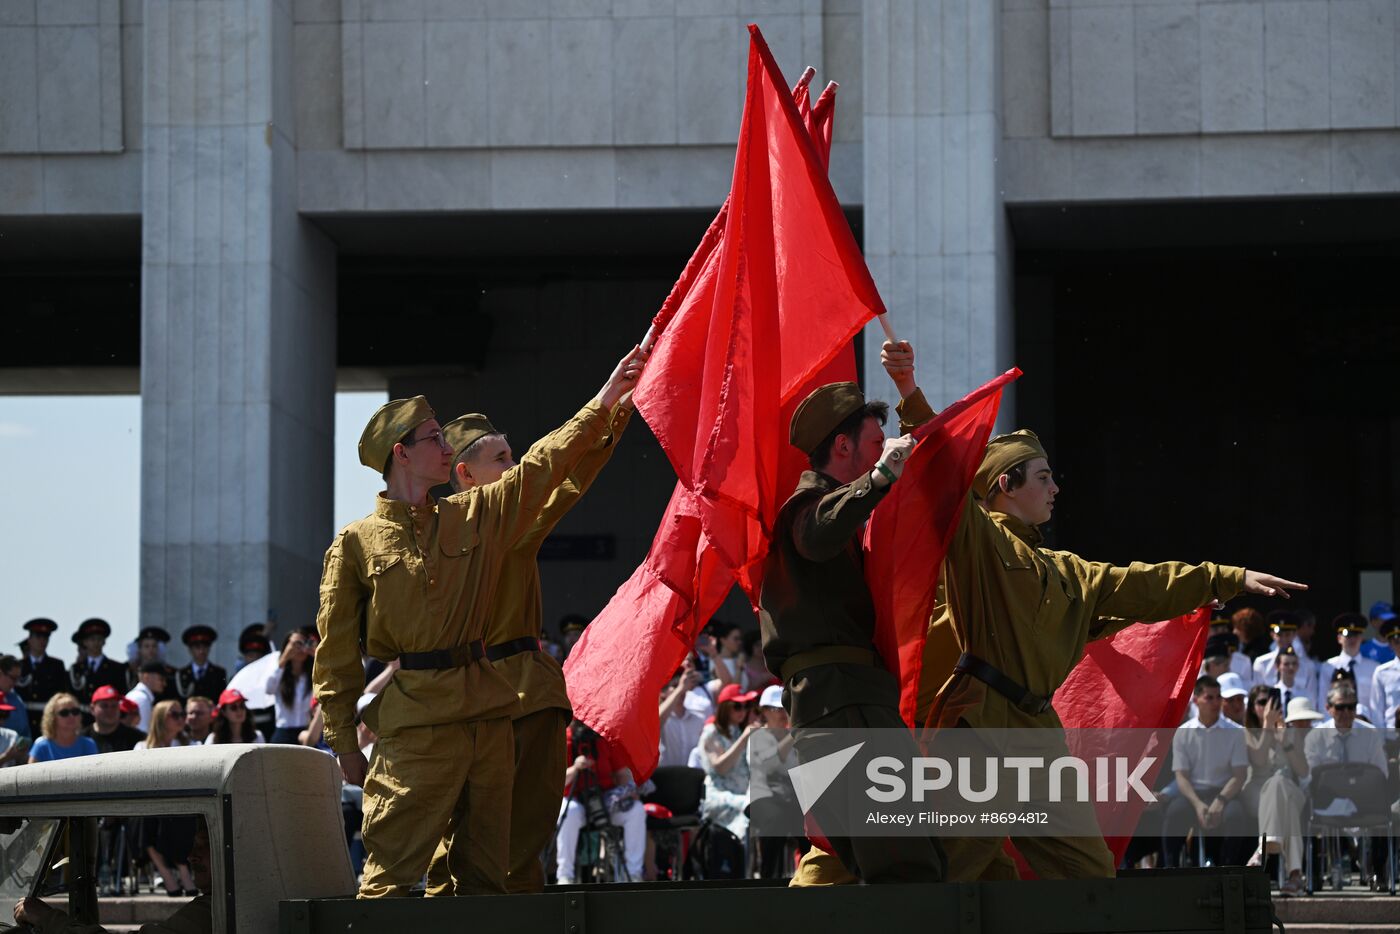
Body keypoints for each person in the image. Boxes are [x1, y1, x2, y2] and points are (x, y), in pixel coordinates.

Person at [899, 335, 1305, 881]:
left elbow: (1143, 583)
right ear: (1005, 486)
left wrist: (1227, 578)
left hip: (1036, 731)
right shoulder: (981, 546)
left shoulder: (1067, 569)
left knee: (1088, 873)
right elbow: (943, 475)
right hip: (978, 726)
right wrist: (908, 392)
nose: (1056, 489)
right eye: (1043, 477)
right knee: (956, 875)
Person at [313, 346, 646, 899]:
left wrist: (606, 399)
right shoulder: (355, 542)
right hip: (417, 721)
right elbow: (337, 653)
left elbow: (543, 467)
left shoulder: (472, 513)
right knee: (390, 881)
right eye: (435, 439)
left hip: (488, 716)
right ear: (402, 454)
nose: (446, 448)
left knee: (489, 882)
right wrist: (343, 740)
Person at [423, 392, 633, 895]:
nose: (514, 467)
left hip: (493, 698)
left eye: (512, 456)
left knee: (501, 838)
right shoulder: (478, 523)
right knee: (496, 842)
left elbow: (566, 480)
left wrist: (617, 416)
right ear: (465, 475)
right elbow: (559, 473)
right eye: (501, 459)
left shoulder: (468, 526)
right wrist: (611, 408)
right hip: (502, 696)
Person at [758, 350, 946, 885]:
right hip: (844, 704)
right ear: (842, 447)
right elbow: (818, 533)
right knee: (905, 866)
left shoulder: (837, 511)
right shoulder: (806, 509)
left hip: (839, 700)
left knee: (885, 863)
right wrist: (883, 476)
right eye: (871, 446)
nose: (880, 455)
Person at [13, 819, 214, 933]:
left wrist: (47, 918)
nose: (191, 856)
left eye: (204, 844)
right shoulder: (215, 904)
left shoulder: (212, 910)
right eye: (195, 845)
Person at [1161, 677, 1249, 867]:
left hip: (1225, 793)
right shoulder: (1183, 732)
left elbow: (1239, 775)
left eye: (1218, 697)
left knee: (1236, 816)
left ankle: (1228, 868)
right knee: (1174, 813)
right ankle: (1170, 870)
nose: (1216, 703)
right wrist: (1198, 804)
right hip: (1194, 794)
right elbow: (1181, 776)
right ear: (1196, 700)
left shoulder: (1235, 732)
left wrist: (1221, 801)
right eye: (1209, 698)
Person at [554, 720, 647, 884]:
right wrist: (576, 768)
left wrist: (631, 790)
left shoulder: (606, 737)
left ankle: (633, 874)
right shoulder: (565, 738)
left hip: (605, 800)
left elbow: (621, 774)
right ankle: (565, 875)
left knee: (636, 810)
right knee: (568, 813)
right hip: (576, 799)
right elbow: (557, 782)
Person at [1248, 694, 1323, 893]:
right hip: (1269, 798)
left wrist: (1287, 744)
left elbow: (1303, 773)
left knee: (1279, 783)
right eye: (1299, 721)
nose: (1304, 724)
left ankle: (1263, 849)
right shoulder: (1256, 733)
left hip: (1297, 792)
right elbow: (1259, 760)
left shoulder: (1296, 736)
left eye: (1307, 720)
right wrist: (1268, 728)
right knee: (1284, 800)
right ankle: (1295, 875)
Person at [747, 683, 804, 878]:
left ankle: (810, 875)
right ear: (764, 711)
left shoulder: (793, 737)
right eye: (775, 708)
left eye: (784, 708)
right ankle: (767, 878)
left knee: (811, 822)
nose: (781, 713)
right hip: (764, 796)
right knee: (776, 820)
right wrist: (793, 734)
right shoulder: (757, 736)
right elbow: (769, 766)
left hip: (789, 796)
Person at [697, 683, 758, 840]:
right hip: (719, 795)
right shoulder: (711, 732)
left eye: (746, 706)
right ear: (725, 708)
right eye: (737, 706)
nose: (743, 711)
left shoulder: (739, 730)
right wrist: (744, 739)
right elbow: (720, 768)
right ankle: (749, 861)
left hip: (743, 793)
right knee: (749, 807)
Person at [16, 618, 71, 736]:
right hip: (22, 723)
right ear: (29, 639)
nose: (42, 641)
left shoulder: (56, 665)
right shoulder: (19, 665)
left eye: (45, 637)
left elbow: (62, 695)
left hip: (47, 723)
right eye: (38, 637)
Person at [1253, 611, 1322, 703]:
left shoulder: (1308, 666)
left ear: (1295, 634)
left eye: (1288, 635)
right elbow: (1256, 697)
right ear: (1272, 635)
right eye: (1280, 635)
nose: (1284, 639)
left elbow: (1312, 699)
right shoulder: (1261, 663)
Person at [657, 656, 711, 769]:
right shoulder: (661, 716)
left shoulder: (698, 718)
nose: (682, 688)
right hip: (665, 778)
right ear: (662, 692)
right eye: (674, 686)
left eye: (683, 684)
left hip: (691, 779)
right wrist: (680, 688)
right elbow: (656, 722)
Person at [1323, 613, 1380, 714]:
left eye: (1356, 635)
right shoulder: (1328, 667)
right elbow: (1322, 701)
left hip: (1367, 724)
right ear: (1339, 638)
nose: (1352, 639)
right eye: (1348, 635)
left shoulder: (1374, 668)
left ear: (1361, 638)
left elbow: (1377, 704)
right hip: (1337, 724)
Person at [266, 630, 314, 744]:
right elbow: (268, 689)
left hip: (305, 733)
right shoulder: (280, 672)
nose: (300, 648)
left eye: (304, 643)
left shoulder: (311, 674)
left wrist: (317, 654)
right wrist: (284, 658)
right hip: (283, 733)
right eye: (296, 644)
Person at [68, 618, 127, 706]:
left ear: (104, 642)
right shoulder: (76, 669)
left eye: (99, 639)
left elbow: (121, 695)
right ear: (85, 642)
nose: (96, 643)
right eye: (92, 639)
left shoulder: (116, 668)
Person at [29, 693, 100, 763]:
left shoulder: (88, 744)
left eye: (75, 712)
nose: (71, 716)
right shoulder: (41, 746)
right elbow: (31, 773)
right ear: (52, 718)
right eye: (64, 713)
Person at [85, 684, 146, 754]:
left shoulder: (137, 738)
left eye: (114, 706)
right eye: (104, 706)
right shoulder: (82, 739)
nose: (110, 710)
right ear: (92, 709)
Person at [175, 626, 227, 702]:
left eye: (205, 647)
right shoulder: (182, 674)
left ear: (209, 648)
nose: (201, 651)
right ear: (190, 650)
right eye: (197, 647)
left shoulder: (219, 673)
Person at [126, 627, 178, 700]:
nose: (151, 650)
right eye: (146, 646)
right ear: (139, 649)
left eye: (154, 646)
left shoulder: (169, 671)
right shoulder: (129, 670)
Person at [1370, 615, 1400, 732]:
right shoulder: (1382, 672)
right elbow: (1376, 710)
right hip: (1392, 736)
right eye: (1397, 641)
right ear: (1390, 644)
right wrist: (1382, 740)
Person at [125, 661, 169, 733]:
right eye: (161, 679)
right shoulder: (142, 699)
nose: (164, 683)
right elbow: (144, 732)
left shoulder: (140, 696)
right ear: (146, 677)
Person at [0, 655, 31, 740]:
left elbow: (26, 734)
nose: (16, 683)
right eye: (13, 678)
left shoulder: (16, 700)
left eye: (18, 678)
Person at [0, 701, 31, 766]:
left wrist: (21, 755)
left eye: (5, 714)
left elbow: (25, 762)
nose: (2, 720)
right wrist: (6, 757)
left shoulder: (12, 735)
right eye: (0, 714)